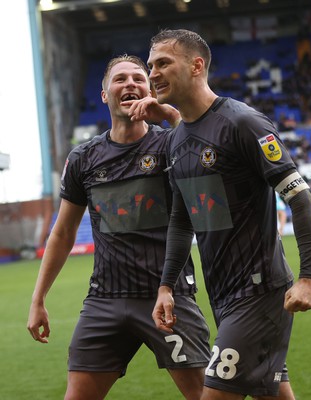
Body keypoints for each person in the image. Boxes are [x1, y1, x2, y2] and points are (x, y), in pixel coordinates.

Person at [145, 29, 311, 400]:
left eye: (163, 63)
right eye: (150, 66)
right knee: (272, 393)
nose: (153, 74)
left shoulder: (243, 123)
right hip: (222, 295)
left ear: (196, 66)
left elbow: (301, 198)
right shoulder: (175, 141)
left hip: (260, 292)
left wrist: (309, 278)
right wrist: (165, 286)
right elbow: (181, 220)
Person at [27, 54, 211, 400]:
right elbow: (64, 233)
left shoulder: (170, 143)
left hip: (168, 297)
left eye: (139, 79)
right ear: (104, 95)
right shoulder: (83, 158)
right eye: (120, 79)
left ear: (151, 90)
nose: (131, 84)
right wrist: (38, 299)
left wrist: (170, 115)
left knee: (206, 396)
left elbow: (207, 150)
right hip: (105, 300)